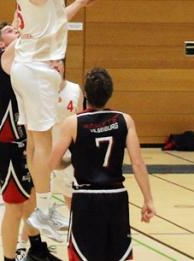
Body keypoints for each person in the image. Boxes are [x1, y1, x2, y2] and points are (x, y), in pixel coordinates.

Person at [0, 0, 105, 240]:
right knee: (41, 145)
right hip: (37, 73)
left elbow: (54, 24)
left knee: (36, 145)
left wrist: (81, 1)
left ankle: (41, 209)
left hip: (31, 71)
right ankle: (42, 210)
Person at [50, 67, 155, 261]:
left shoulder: (73, 123)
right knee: (118, 256)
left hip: (86, 198)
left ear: (86, 94)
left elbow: (53, 162)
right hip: (116, 197)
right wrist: (148, 199)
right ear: (110, 93)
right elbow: (138, 163)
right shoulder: (125, 120)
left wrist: (68, 162)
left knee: (83, 255)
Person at [0, 23, 58, 261]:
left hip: (25, 142)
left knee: (31, 200)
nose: (15, 31)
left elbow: (47, 26)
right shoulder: (4, 59)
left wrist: (77, 5)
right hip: (7, 144)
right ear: (0, 44)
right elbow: (37, 30)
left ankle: (37, 249)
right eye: (9, 30)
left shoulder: (22, 62)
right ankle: (9, 258)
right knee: (14, 207)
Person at [50, 70, 82, 210]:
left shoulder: (74, 89)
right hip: (44, 150)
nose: (56, 65)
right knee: (40, 196)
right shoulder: (38, 90)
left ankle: (76, 228)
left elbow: (80, 122)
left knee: (71, 196)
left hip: (68, 152)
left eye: (59, 61)